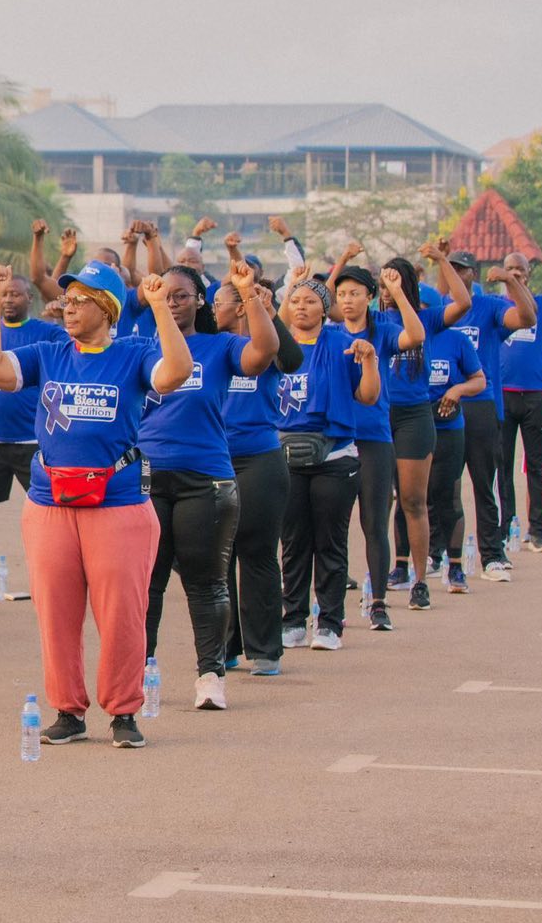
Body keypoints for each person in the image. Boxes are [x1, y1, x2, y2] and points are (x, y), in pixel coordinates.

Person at [0, 259, 189, 744]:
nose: (69, 307)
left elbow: (175, 372)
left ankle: (123, 712)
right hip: (50, 503)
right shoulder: (49, 352)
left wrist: (159, 306)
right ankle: (68, 711)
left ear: (108, 308)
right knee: (56, 614)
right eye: (67, 300)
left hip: (117, 504)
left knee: (122, 616)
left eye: (81, 300)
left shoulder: (135, 354)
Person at [140, 236, 277, 710]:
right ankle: (139, 672)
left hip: (206, 479)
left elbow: (264, 352)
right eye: (164, 296)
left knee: (205, 582)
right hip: (147, 478)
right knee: (147, 583)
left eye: (182, 295)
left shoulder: (220, 347)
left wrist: (250, 295)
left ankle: (210, 675)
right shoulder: (142, 349)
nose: (173, 303)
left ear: (200, 301)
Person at [275, 278, 383, 651]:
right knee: (293, 543)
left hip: (334, 457)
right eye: (295, 301)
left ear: (324, 308)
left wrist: (369, 362)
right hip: (287, 456)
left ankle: (330, 623)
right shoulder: (276, 347)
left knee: (330, 542)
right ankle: (292, 620)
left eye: (309, 301)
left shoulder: (342, 345)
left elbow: (367, 396)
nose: (301, 307)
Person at [325, 250, 424, 631]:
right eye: (342, 294)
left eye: (355, 293)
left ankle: (378, 603)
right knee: (332, 528)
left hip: (374, 438)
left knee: (374, 522)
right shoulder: (330, 334)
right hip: (336, 438)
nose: (348, 300)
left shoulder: (382, 329)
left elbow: (415, 336)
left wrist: (396, 292)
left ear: (369, 296)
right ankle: (330, 605)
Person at [213, 266, 304, 675]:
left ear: (239, 307)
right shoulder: (213, 343)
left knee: (258, 552)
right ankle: (224, 646)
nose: (212, 308)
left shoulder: (264, 344)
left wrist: (265, 309)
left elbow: (292, 359)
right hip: (214, 459)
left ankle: (265, 649)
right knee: (218, 557)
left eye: (218, 302)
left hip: (259, 459)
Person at [379, 245, 471, 611]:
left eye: (393, 284)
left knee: (414, 500)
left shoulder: (427, 319)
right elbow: (336, 309)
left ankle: (420, 580)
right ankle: (384, 577)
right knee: (379, 502)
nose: (386, 292)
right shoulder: (375, 320)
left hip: (415, 416)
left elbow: (463, 302)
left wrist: (442, 260)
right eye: (382, 286)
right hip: (379, 415)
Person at [451, 252, 538, 581]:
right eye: (450, 269)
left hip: (483, 405)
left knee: (484, 484)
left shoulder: (489, 307)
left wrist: (510, 279)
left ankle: (492, 554)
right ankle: (440, 553)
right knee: (443, 487)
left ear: (473, 274)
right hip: (444, 405)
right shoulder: (439, 310)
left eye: (461, 269)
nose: (455, 274)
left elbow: (527, 317)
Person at [0, 274, 65, 541]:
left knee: (49, 508)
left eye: (15, 294)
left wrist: (64, 313)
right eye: (4, 294)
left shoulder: (46, 332)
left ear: (29, 298)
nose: (9, 299)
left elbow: (77, 346)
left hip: (31, 439)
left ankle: (52, 560)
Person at [495, 253, 542, 554]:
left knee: (538, 466)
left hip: (536, 395)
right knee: (502, 465)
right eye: (509, 269)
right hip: (503, 393)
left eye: (520, 269)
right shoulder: (496, 305)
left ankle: (538, 531)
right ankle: (505, 528)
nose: (515, 274)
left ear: (529, 274)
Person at [416, 319, 486, 594]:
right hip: (413, 425)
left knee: (448, 495)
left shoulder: (456, 339)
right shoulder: (406, 336)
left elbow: (479, 380)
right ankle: (406, 564)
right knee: (414, 499)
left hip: (448, 426)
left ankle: (455, 566)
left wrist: (457, 390)